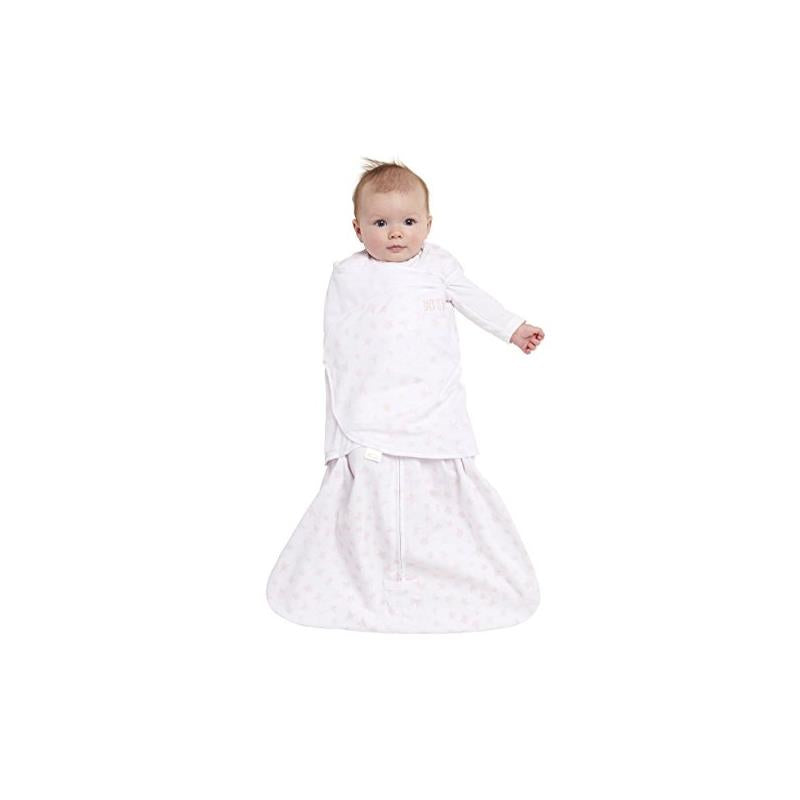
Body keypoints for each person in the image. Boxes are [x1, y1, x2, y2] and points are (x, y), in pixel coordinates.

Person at [266, 158, 545, 633]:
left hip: (429, 404)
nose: (396, 233)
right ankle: (359, 572)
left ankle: (446, 567)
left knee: (437, 491)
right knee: (368, 494)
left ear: (428, 225)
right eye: (380, 223)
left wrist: (513, 328)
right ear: (358, 229)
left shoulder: (438, 267)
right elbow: (340, 343)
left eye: (409, 222)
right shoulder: (350, 276)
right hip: (370, 407)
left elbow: (475, 299)